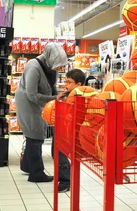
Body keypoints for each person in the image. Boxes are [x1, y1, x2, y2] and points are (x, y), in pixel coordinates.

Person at [16, 42, 67, 183]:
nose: (60, 68)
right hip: (28, 103)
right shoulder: (34, 67)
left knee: (35, 133)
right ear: (50, 59)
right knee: (35, 135)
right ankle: (36, 174)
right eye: (58, 64)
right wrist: (53, 98)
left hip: (39, 101)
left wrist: (58, 97)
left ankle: (27, 165)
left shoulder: (50, 67)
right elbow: (32, 95)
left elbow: (51, 86)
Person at [53, 68, 86, 193]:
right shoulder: (66, 95)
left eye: (69, 82)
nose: (65, 84)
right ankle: (63, 179)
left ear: (78, 84)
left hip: (70, 132)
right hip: (62, 129)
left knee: (62, 155)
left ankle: (66, 181)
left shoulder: (81, 97)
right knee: (56, 154)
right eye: (65, 81)